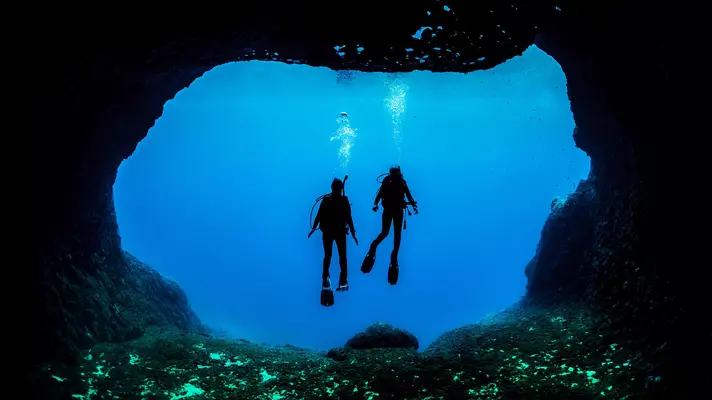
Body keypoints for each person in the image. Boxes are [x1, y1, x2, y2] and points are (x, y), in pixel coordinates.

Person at [361, 166, 418, 285]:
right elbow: (408, 195)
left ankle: (378, 252)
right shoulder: (393, 182)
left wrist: (375, 204)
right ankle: (390, 258)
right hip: (394, 211)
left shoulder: (397, 182)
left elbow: (407, 194)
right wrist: (413, 204)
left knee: (388, 234)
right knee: (392, 236)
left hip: (392, 210)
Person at [309, 177, 358, 306]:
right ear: (341, 188)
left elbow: (318, 216)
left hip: (327, 232)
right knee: (343, 256)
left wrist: (314, 228)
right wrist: (353, 233)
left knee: (328, 255)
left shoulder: (325, 200)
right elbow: (349, 218)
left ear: (331, 188)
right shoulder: (344, 200)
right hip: (340, 232)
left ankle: (325, 276)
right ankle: (343, 277)